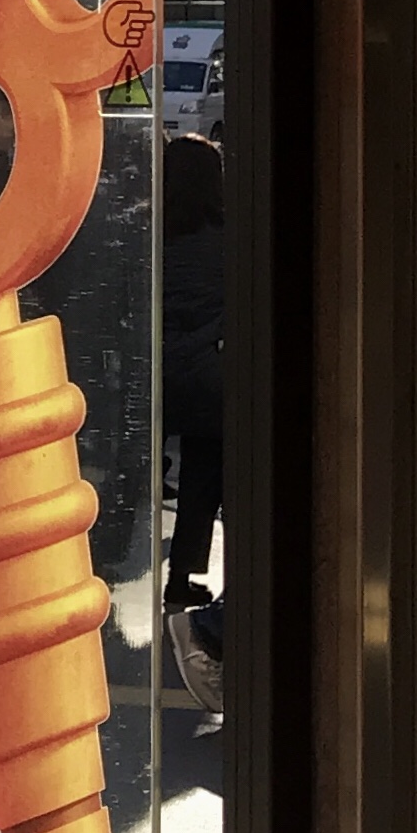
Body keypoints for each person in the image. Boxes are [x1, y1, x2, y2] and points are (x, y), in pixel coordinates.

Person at [162, 132, 224, 606]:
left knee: (138, 474)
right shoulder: (227, 239)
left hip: (154, 378)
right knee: (204, 475)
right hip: (210, 378)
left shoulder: (150, 234)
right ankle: (182, 575)